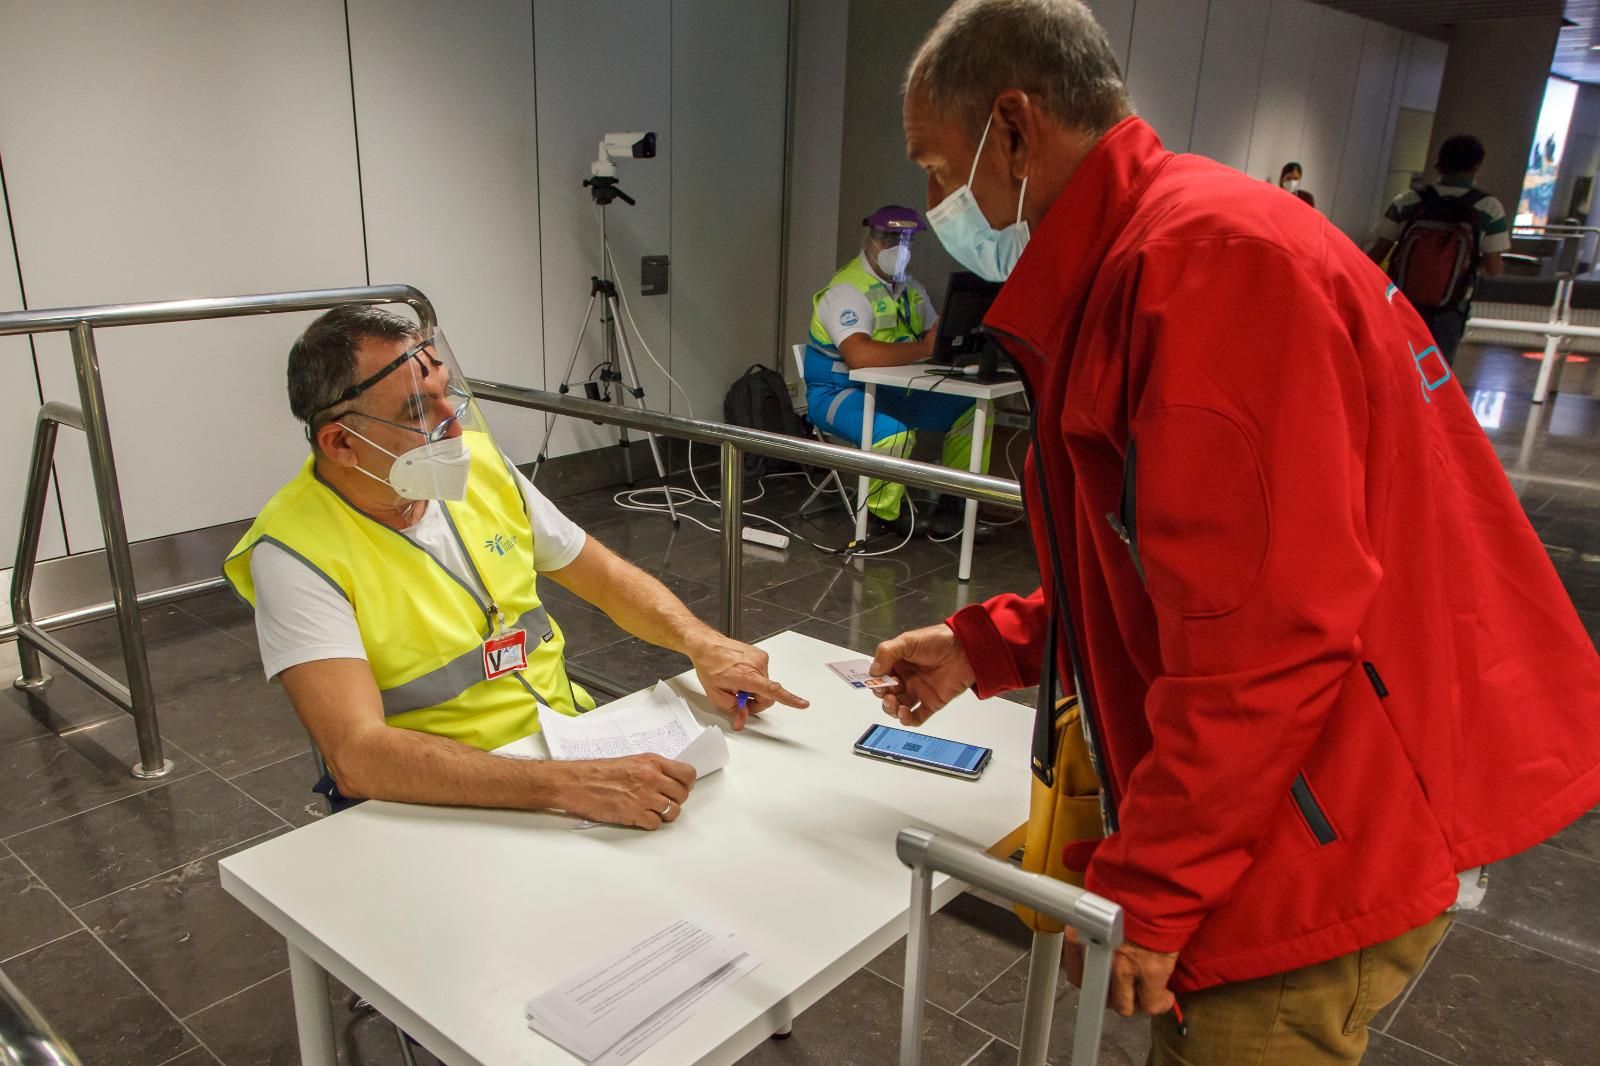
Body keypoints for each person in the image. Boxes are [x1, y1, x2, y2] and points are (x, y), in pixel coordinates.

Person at [874, 2, 1600, 1063]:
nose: (938, 205)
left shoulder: (1204, 268)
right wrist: (991, 643)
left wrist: (1153, 891)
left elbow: (1264, 637)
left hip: (1303, 832)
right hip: (1281, 799)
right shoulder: (1156, 251)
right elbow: (1166, 566)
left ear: (1016, 129)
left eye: (940, 169)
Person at [223, 306, 808, 830]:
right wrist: (571, 787)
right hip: (436, 799)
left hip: (566, 741)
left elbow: (601, 575)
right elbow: (356, 755)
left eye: (449, 394)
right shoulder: (294, 552)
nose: (453, 423)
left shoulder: (476, 465)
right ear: (342, 443)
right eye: (420, 411)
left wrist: (701, 644)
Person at [804, 204, 991, 539]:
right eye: (889, 238)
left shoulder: (909, 288)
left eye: (906, 240)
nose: (898, 247)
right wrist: (926, 349)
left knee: (972, 413)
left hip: (890, 390)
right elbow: (859, 355)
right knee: (893, 434)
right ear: (870, 240)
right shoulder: (847, 290)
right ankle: (882, 514)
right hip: (838, 392)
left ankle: (956, 504)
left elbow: (936, 332)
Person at [1367, 134, 1509, 364]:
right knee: (1435, 375)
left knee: (1393, 364)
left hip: (1401, 301)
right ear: (1476, 166)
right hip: (1450, 307)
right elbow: (1494, 267)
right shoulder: (1488, 207)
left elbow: (1377, 254)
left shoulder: (1409, 200)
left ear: (1439, 163)